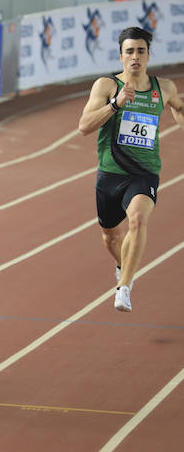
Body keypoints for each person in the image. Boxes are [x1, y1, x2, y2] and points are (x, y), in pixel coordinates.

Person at [77, 27, 184, 313]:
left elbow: (179, 106)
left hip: (144, 173)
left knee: (137, 219)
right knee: (111, 237)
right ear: (121, 56)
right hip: (109, 175)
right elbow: (84, 127)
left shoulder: (164, 88)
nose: (135, 57)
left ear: (148, 55)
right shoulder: (107, 86)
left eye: (140, 51)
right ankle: (123, 266)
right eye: (129, 51)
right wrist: (115, 104)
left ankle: (124, 287)